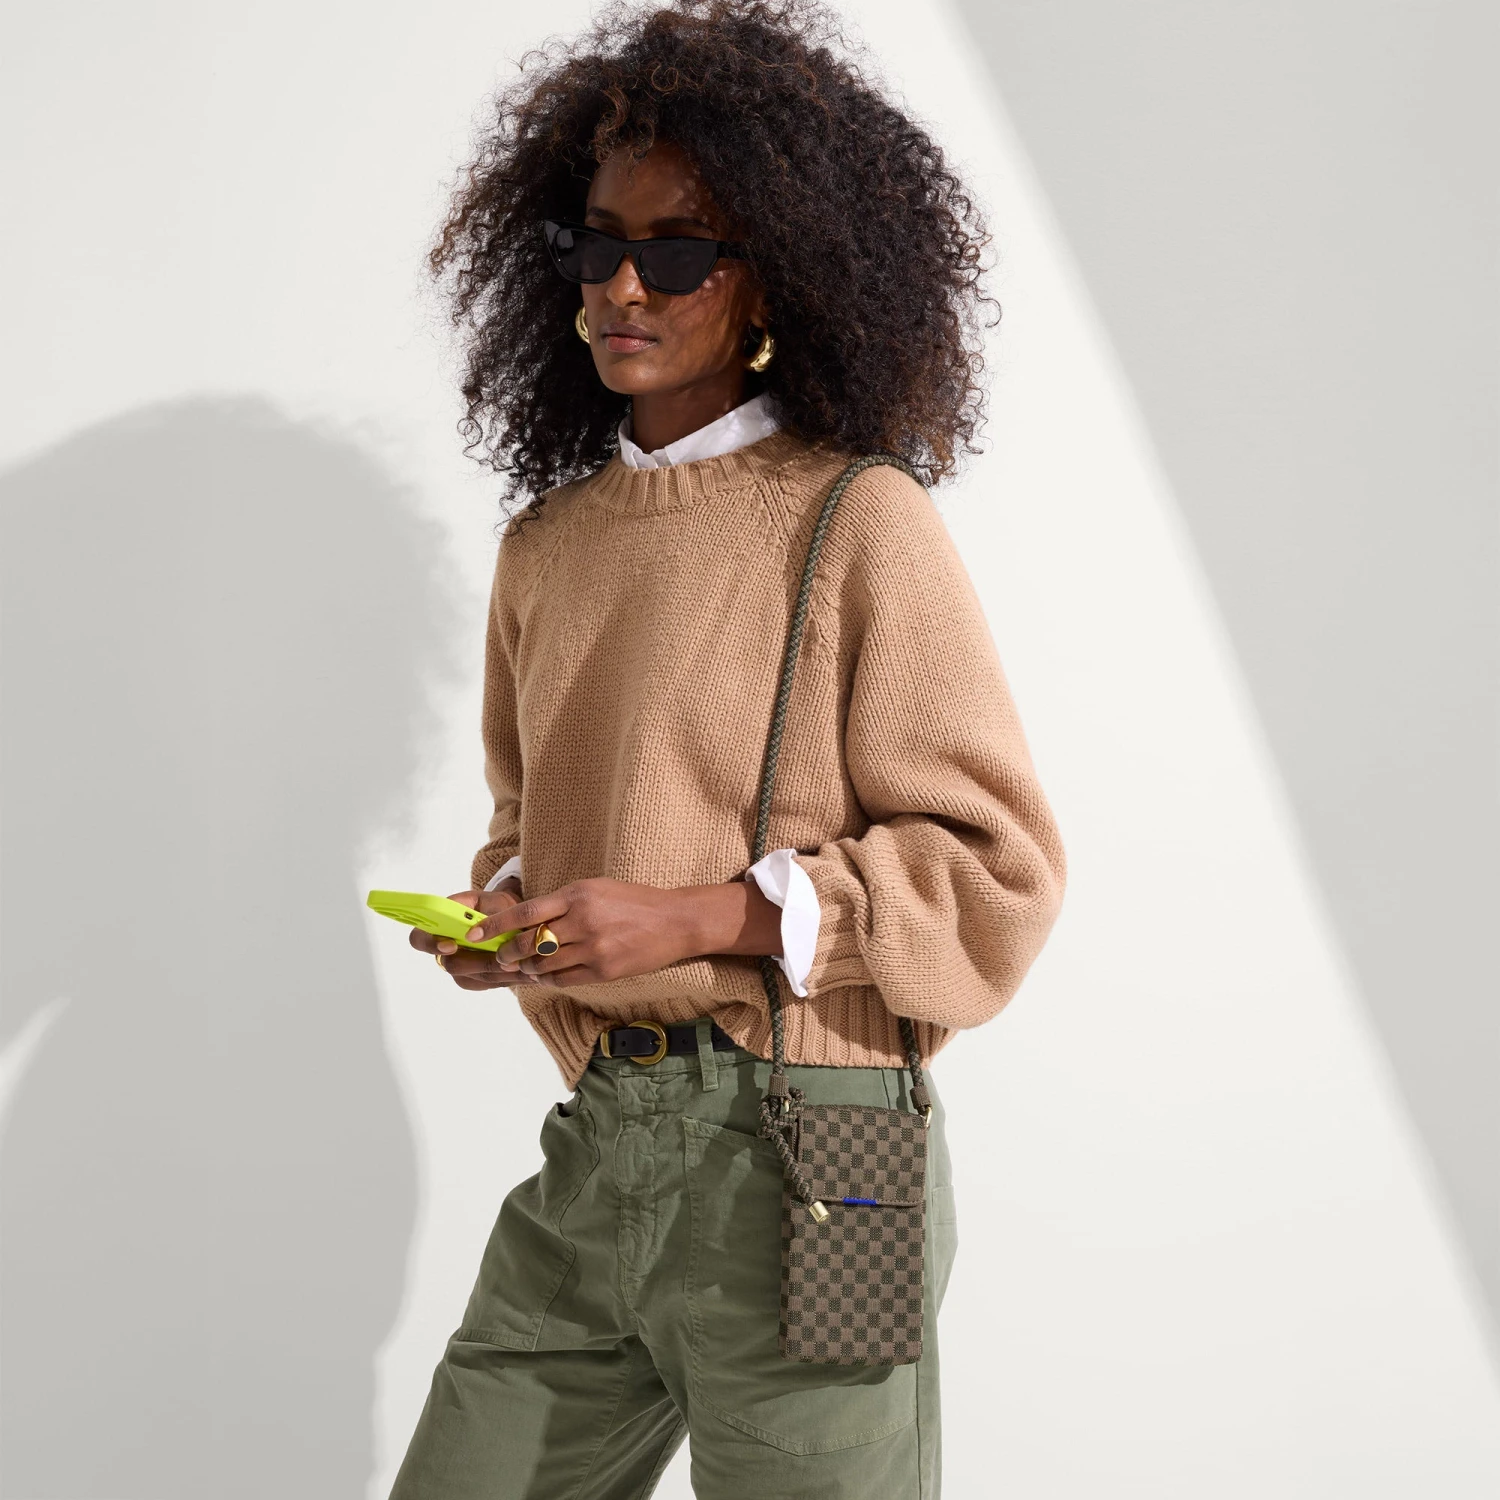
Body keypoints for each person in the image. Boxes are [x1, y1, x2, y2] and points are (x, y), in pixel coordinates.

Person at [390, 2, 1067, 1495]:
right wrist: (515, 918)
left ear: (775, 273)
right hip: (603, 1143)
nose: (623, 285)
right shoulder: (548, 545)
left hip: (834, 1160)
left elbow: (996, 872)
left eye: (679, 251)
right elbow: (529, 815)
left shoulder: (855, 519)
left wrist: (699, 919)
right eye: (596, 246)